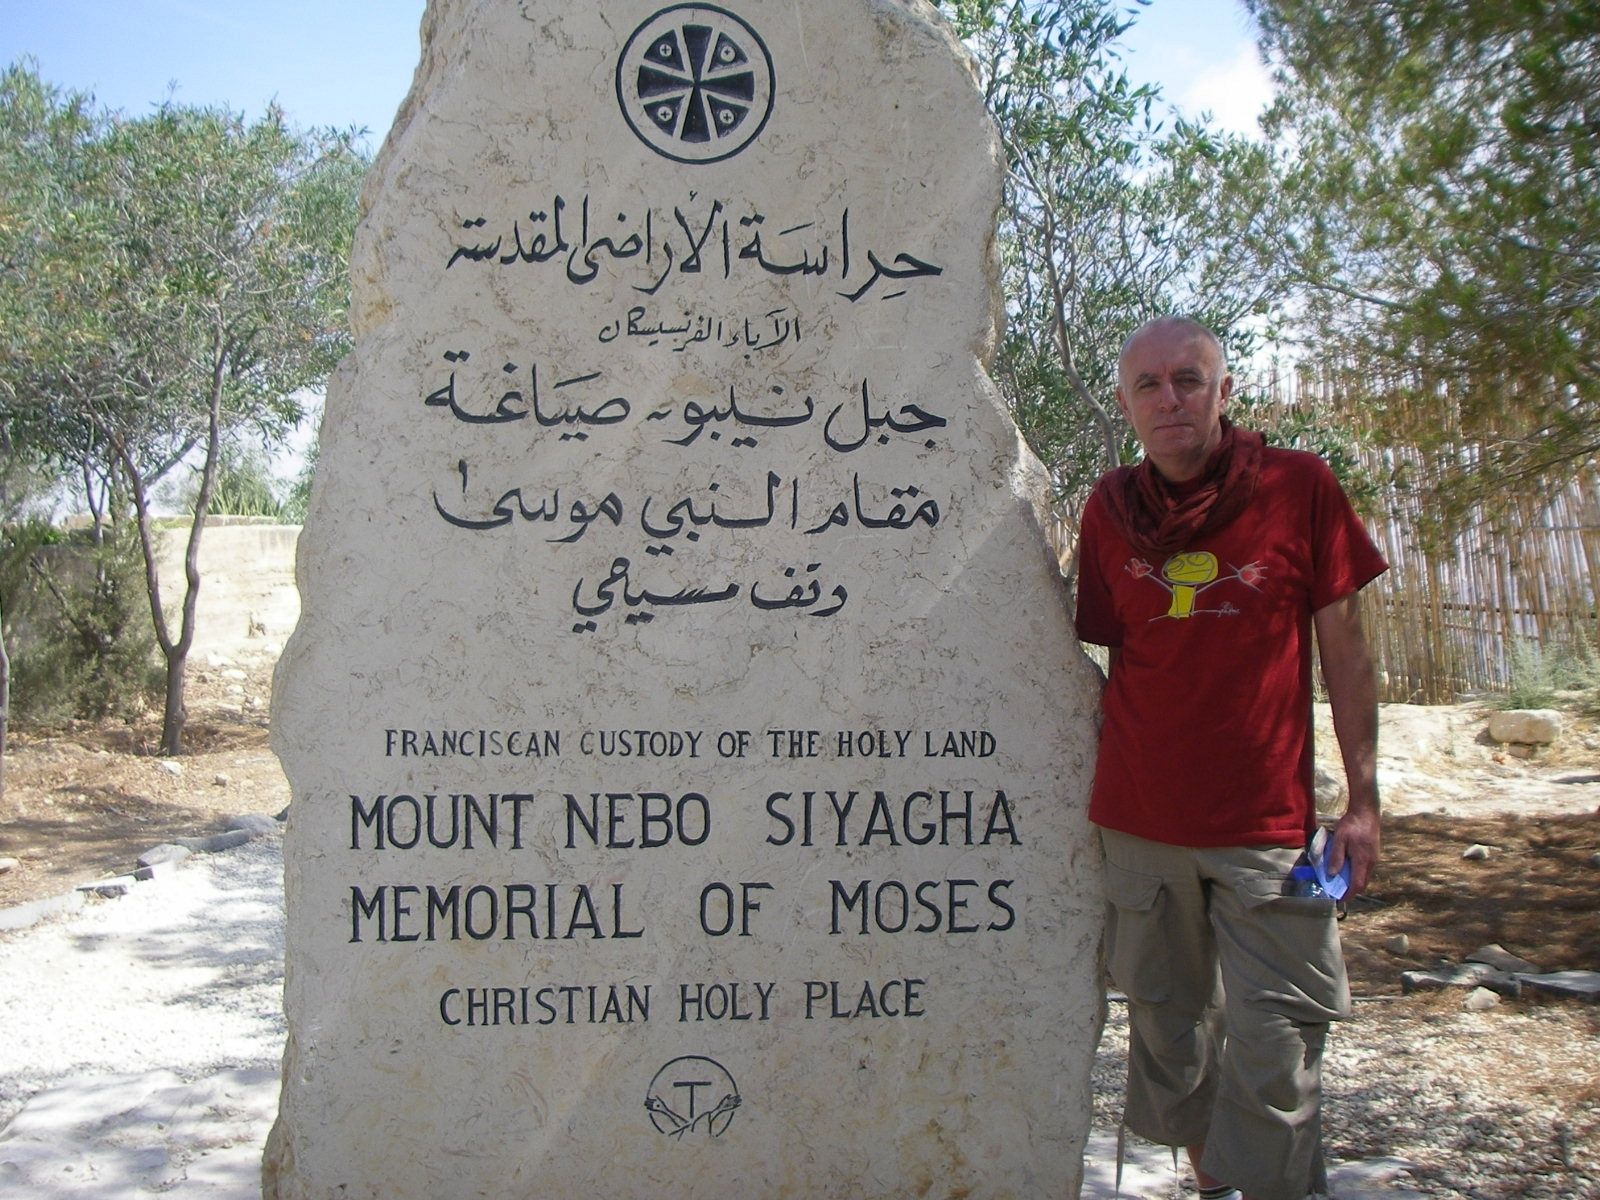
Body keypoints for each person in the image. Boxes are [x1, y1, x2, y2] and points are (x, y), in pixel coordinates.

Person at [1075, 316, 1386, 1200]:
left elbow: (1348, 653)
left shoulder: (1299, 487)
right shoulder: (1109, 510)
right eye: (1148, 385)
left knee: (1280, 1046)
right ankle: (1214, 1188)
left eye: (1188, 379)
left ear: (1224, 391)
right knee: (1173, 1040)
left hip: (1269, 832)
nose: (1168, 400)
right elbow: (1112, 653)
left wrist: (1362, 802)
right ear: (1126, 402)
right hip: (1139, 828)